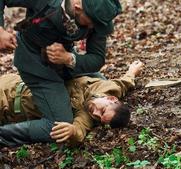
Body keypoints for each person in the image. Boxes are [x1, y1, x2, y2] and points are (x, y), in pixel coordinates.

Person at [0, 0, 122, 146]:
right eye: (91, 22)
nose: (93, 27)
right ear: (77, 7)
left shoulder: (98, 18)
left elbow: (97, 59)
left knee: (99, 82)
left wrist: (69, 58)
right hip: (35, 64)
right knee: (58, 126)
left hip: (64, 60)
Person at [0, 61, 144, 147]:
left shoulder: (87, 115)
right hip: (11, 82)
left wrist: (72, 131)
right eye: (102, 110)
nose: (95, 114)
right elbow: (124, 83)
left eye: (99, 119)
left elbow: (79, 130)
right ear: (111, 99)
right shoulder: (109, 87)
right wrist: (132, 72)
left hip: (6, 106)